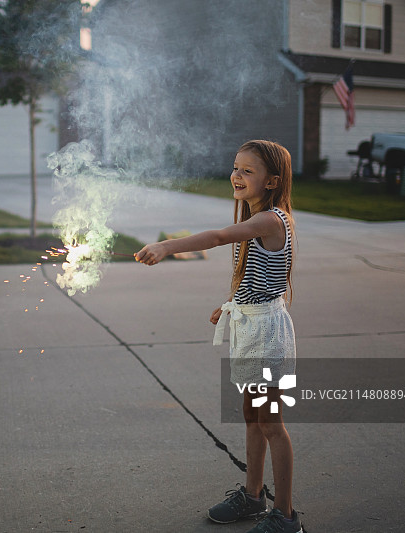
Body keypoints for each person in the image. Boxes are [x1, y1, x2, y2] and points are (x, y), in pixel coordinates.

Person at [135, 140, 302, 533]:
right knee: (252, 417)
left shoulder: (271, 220)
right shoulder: (258, 217)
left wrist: (166, 245)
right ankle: (254, 496)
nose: (236, 175)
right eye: (235, 167)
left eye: (248, 170)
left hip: (267, 335)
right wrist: (230, 303)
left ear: (272, 181)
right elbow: (257, 277)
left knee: (271, 424)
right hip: (251, 325)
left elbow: (216, 237)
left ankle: (286, 516)